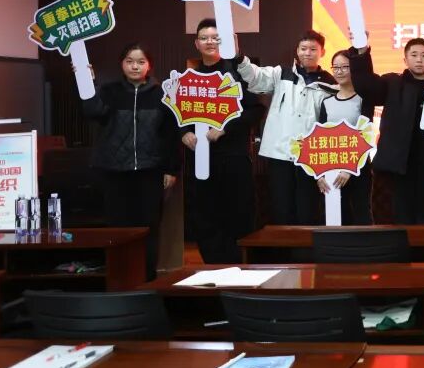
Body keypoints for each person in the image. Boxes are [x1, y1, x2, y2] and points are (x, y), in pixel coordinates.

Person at [81, 43, 179, 279]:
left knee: (149, 227)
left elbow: (171, 134)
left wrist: (172, 169)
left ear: (149, 65)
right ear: (122, 64)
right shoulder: (109, 91)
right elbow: (93, 112)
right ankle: (120, 277)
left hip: (150, 171)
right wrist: (88, 83)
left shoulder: (162, 93)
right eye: (130, 61)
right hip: (114, 171)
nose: (135, 66)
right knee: (117, 227)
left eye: (141, 62)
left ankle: (147, 277)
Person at [182, 19, 265, 264]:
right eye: (204, 38)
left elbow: (256, 110)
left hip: (233, 158)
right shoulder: (189, 77)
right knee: (204, 217)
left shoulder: (236, 73)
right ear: (196, 43)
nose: (210, 42)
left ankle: (239, 267)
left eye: (215, 37)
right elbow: (176, 114)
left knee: (238, 215)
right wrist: (183, 133)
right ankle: (213, 267)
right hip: (200, 160)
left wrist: (225, 127)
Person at [236, 30, 339, 226]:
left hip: (310, 157)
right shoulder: (281, 74)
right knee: (281, 209)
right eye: (303, 48)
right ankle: (283, 246)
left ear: (322, 52)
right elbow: (255, 76)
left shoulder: (330, 84)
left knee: (307, 210)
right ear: (297, 50)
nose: (307, 53)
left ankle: (306, 246)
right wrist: (240, 58)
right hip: (280, 153)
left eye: (313, 49)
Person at [350, 38, 424, 224]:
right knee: (399, 218)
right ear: (405, 60)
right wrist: (361, 51)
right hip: (398, 167)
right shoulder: (392, 83)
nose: (419, 59)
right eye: (414, 55)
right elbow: (365, 86)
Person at [315, 50, 375, 225]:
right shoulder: (326, 102)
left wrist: (348, 169)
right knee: (337, 216)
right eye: (336, 67)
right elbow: (320, 139)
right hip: (332, 167)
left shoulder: (363, 99)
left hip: (359, 167)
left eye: (344, 67)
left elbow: (366, 134)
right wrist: (319, 173)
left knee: (361, 213)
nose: (339, 71)